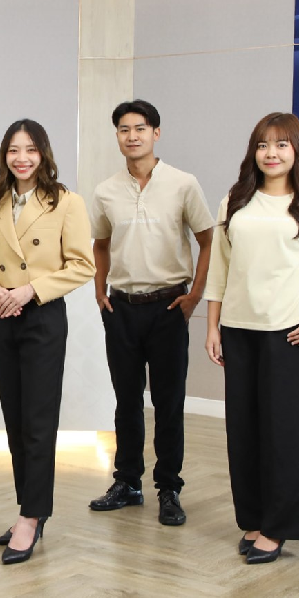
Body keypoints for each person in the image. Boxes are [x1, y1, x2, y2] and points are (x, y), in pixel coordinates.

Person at [203, 112, 299, 565]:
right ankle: (254, 518)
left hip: (289, 333)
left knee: (284, 434)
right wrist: (212, 326)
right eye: (263, 145)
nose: (272, 153)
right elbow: (220, 268)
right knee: (244, 431)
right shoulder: (235, 202)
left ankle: (278, 526)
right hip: (238, 330)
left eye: (282, 144)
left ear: (297, 150)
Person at [88, 99, 214, 526]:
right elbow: (100, 244)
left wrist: (195, 296)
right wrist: (99, 289)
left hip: (168, 307)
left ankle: (169, 488)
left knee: (168, 403)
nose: (132, 136)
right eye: (124, 129)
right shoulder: (106, 190)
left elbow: (208, 240)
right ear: (117, 136)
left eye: (140, 128)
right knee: (126, 401)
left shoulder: (183, 184)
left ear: (156, 133)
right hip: (121, 308)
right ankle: (127, 482)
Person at [0, 119, 94, 565]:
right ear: (4, 156)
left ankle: (31, 516)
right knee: (15, 420)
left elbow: (82, 265)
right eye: (13, 150)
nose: (21, 158)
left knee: (39, 422)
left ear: (43, 154)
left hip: (42, 315)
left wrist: (30, 291)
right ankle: (28, 507)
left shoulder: (66, 202)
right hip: (3, 316)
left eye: (30, 150)